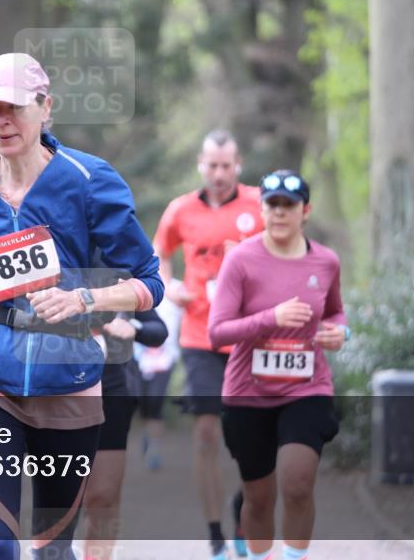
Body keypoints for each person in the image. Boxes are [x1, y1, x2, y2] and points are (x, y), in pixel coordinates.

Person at [0, 52, 163, 560]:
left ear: (46, 107)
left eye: (14, 108)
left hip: (69, 379)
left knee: (52, 551)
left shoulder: (89, 181)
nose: (1, 122)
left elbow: (148, 282)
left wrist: (84, 299)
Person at [209, 170, 348, 560]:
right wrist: (271, 317)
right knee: (258, 497)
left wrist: (341, 333)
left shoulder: (326, 261)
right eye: (273, 204)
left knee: (298, 482)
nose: (280, 212)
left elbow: (336, 313)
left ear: (306, 210)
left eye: (289, 205)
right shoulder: (241, 260)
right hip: (247, 394)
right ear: (262, 209)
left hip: (307, 388)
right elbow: (217, 332)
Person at [152, 130, 263, 559]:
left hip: (250, 335)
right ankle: (216, 534)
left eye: (226, 165)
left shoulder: (258, 205)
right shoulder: (180, 210)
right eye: (212, 165)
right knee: (204, 433)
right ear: (201, 164)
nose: (219, 173)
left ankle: (241, 510)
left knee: (253, 438)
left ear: (238, 166)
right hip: (200, 334)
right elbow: (158, 256)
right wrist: (169, 286)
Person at [81, 303, 167, 560]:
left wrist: (133, 327)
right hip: (56, 390)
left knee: (103, 494)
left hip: (112, 389)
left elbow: (157, 330)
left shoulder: (120, 275)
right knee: (64, 497)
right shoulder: (53, 271)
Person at [133, 297, 182, 471]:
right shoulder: (136, 287)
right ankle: (148, 434)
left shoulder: (176, 291)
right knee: (143, 406)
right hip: (139, 359)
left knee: (155, 405)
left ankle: (153, 449)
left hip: (164, 361)